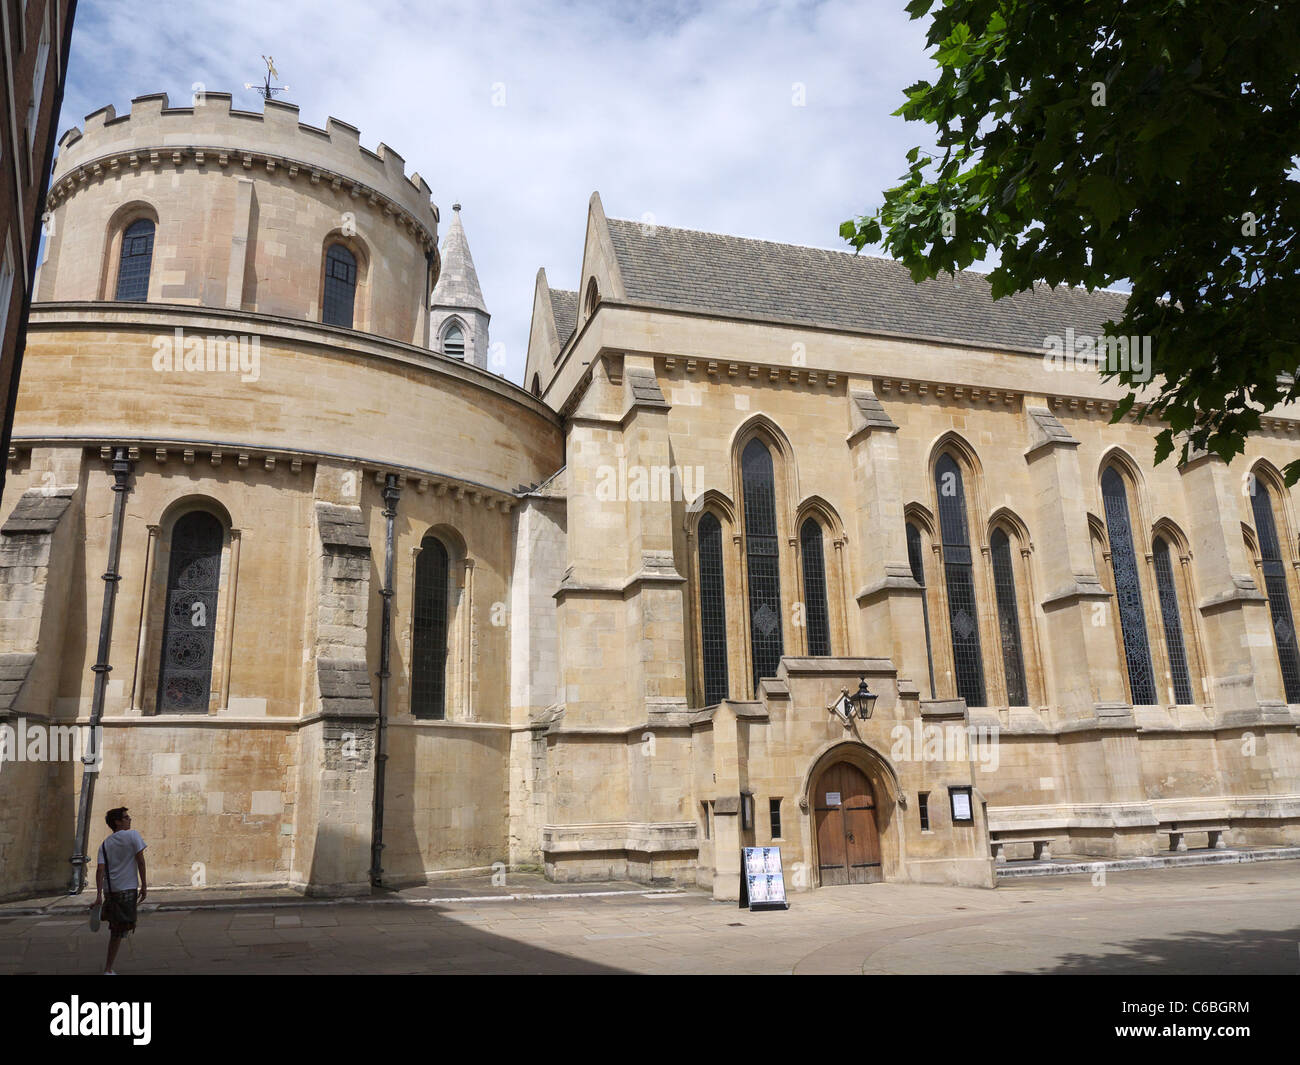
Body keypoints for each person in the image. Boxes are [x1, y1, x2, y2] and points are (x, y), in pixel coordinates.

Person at [91, 807, 147, 975]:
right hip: (126, 890)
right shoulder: (133, 835)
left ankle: (109, 967)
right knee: (118, 931)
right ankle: (108, 968)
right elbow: (141, 861)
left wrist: (99, 895)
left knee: (118, 929)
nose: (129, 819)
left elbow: (100, 870)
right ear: (117, 822)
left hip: (111, 891)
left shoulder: (105, 844)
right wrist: (144, 885)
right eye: (126, 817)